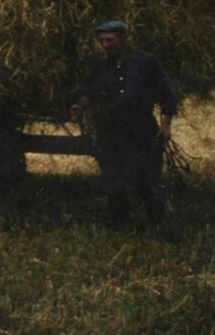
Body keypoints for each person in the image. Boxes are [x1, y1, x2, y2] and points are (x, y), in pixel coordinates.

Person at [69, 20, 179, 226]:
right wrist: (80, 106)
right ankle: (120, 222)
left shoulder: (147, 63)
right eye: (101, 41)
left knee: (144, 177)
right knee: (112, 177)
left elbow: (167, 93)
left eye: (109, 40)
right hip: (109, 129)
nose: (105, 45)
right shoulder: (101, 68)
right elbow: (89, 92)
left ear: (124, 39)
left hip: (141, 128)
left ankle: (155, 220)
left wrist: (166, 125)